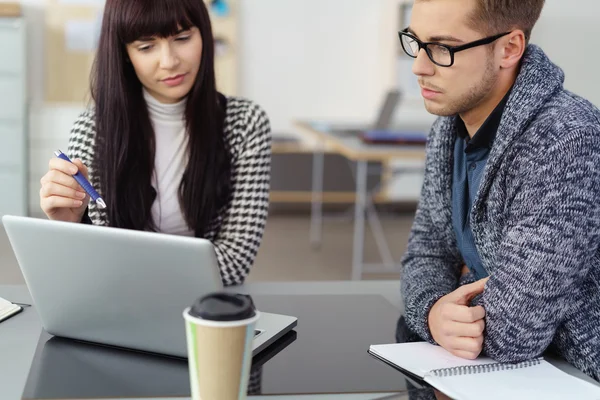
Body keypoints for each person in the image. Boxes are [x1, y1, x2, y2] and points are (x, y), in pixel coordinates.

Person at [399, 0, 600, 382]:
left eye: (443, 48)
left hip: (576, 374)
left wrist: (457, 288)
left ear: (509, 48)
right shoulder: (450, 125)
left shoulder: (565, 138)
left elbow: (514, 332)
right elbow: (425, 253)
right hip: (501, 374)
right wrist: (433, 311)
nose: (419, 67)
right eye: (415, 42)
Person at [39, 0, 272, 287]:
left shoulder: (245, 123)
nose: (169, 61)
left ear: (205, 35)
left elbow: (234, 262)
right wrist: (72, 226)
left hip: (204, 308)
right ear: (124, 54)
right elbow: (91, 263)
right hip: (119, 303)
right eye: (146, 46)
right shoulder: (93, 129)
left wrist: (126, 267)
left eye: (183, 38)